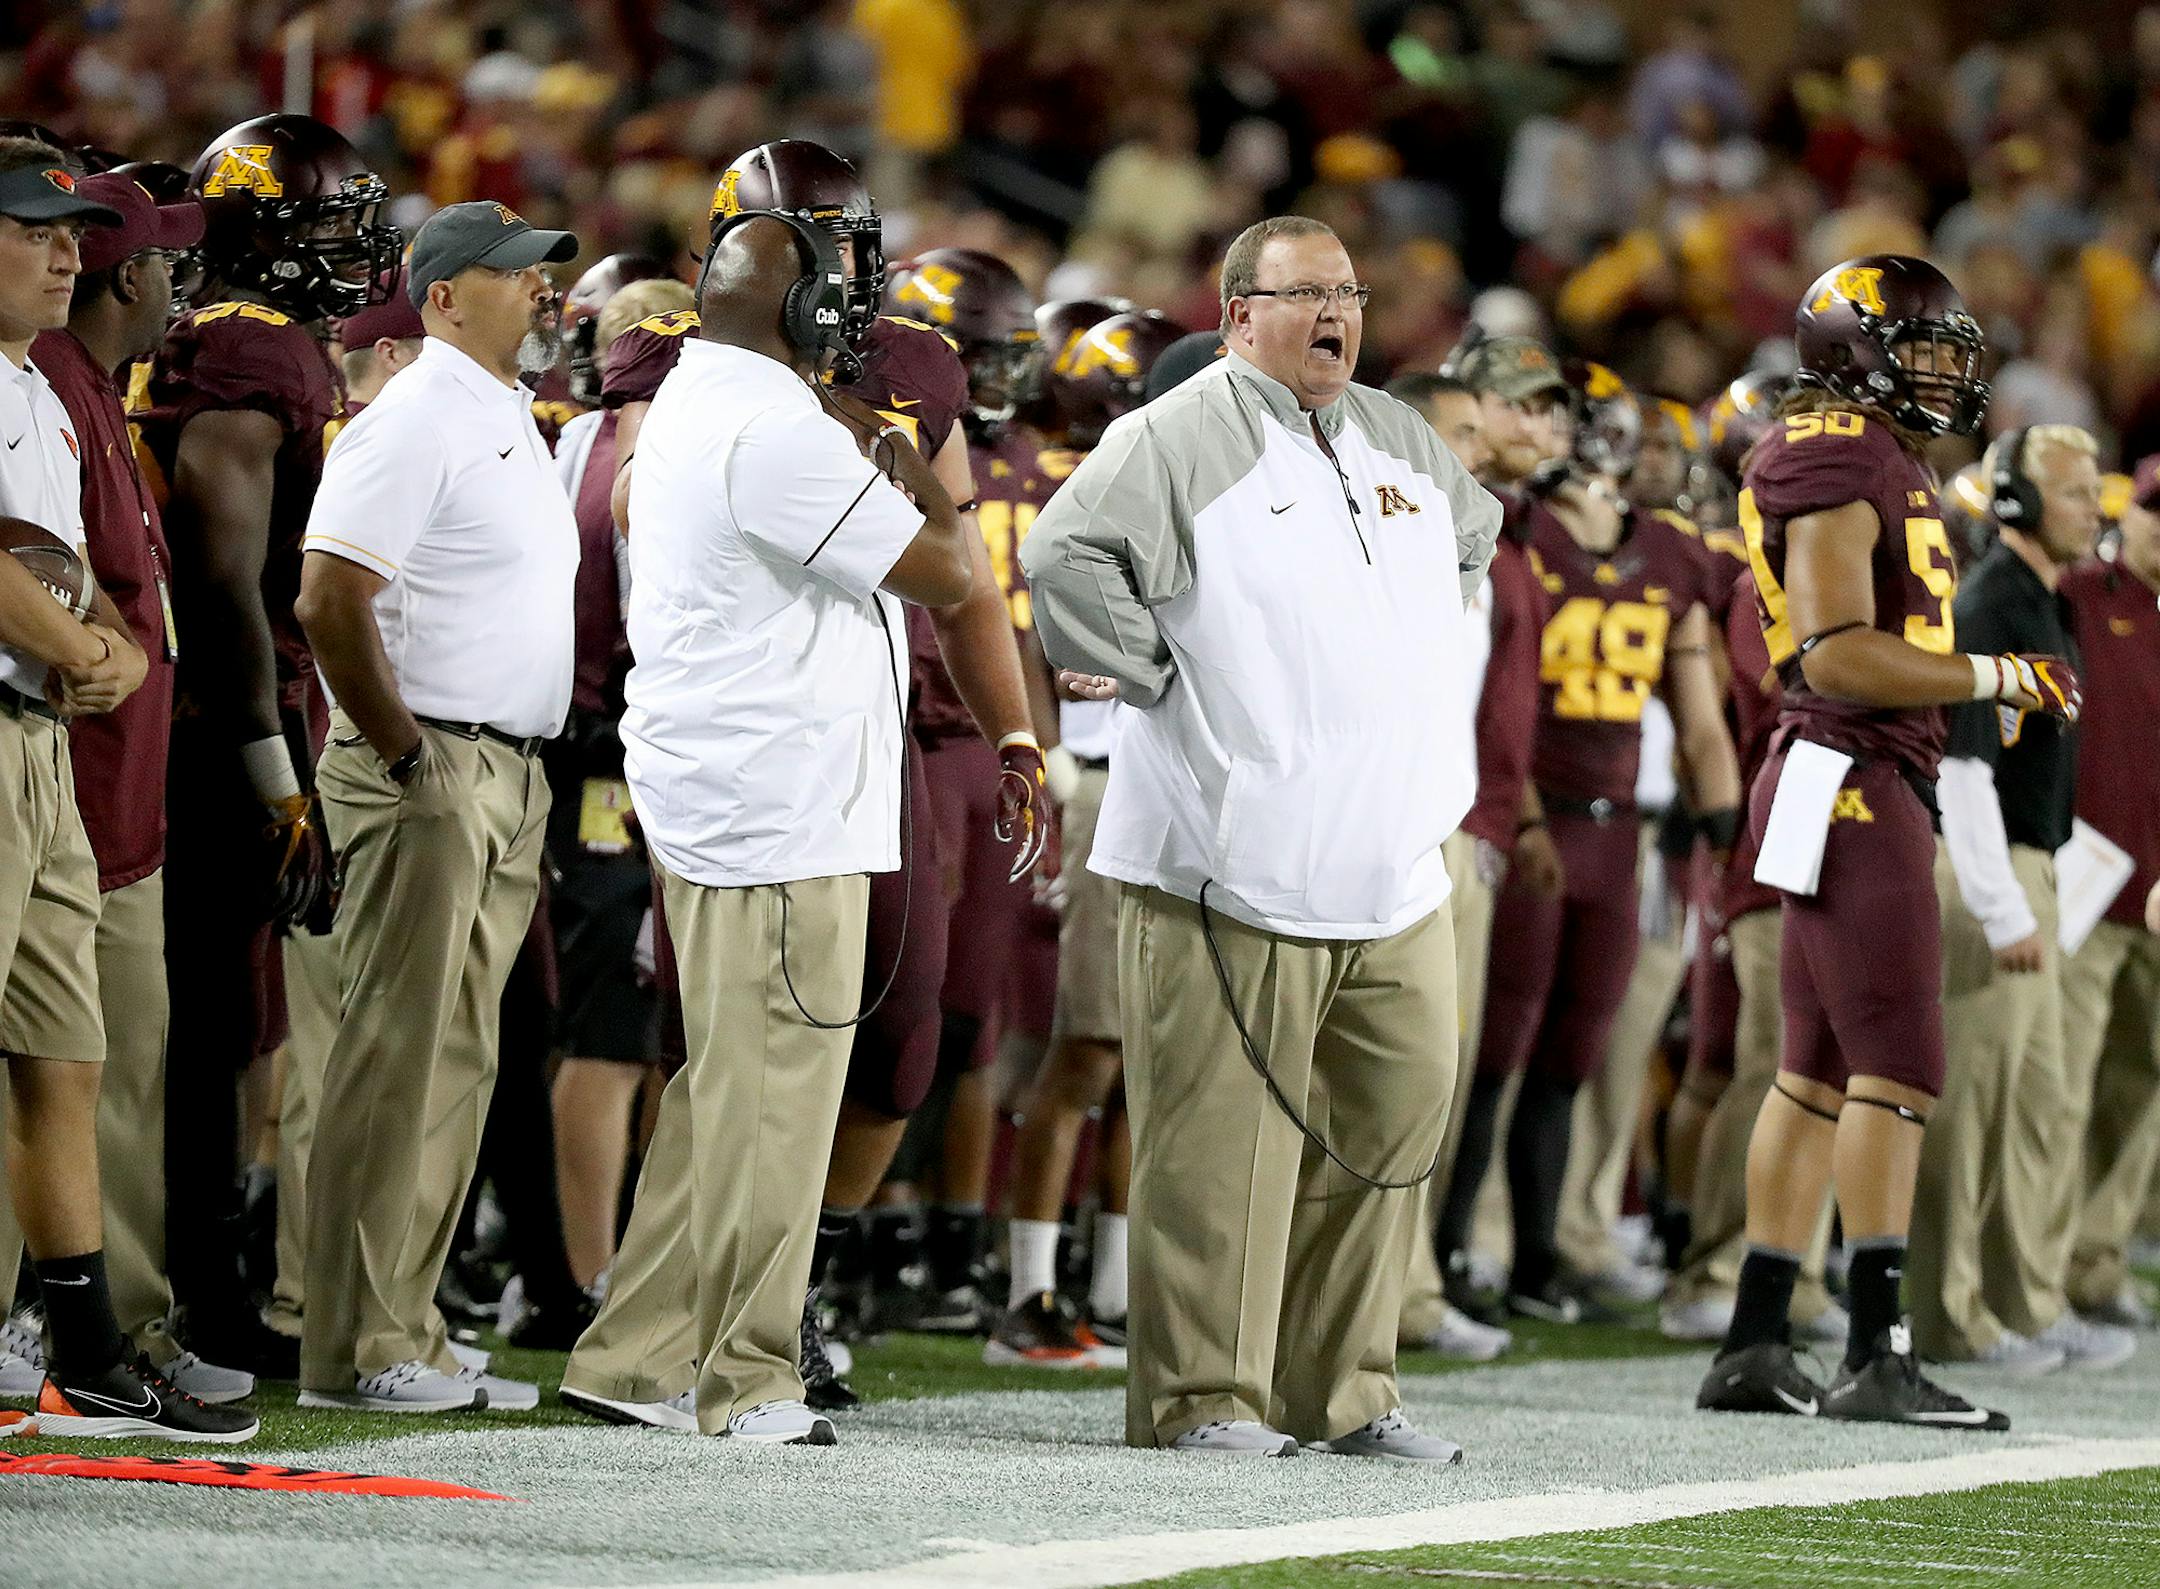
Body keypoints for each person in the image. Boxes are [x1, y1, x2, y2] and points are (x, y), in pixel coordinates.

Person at [573, 140, 1043, 1419]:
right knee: (780, 1101)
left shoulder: (695, 399)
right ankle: (745, 1374)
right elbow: (948, 571)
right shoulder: (775, 425)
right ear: (794, 302)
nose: (855, 297)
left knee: (723, 1094)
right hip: (783, 805)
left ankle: (636, 1355)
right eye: (832, 275)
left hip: (728, 789)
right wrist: (893, 459)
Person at [1022, 215, 1499, 1459]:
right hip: (1231, 857)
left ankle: (1342, 1392)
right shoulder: (1177, 433)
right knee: (1217, 1145)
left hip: (1393, 859)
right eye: (1306, 295)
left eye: (1349, 290)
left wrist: (1407, 649)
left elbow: (1476, 534)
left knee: (1390, 1130)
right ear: (1240, 314)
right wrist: (1154, 670)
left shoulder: (1396, 432)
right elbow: (1062, 554)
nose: (1338, 313)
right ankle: (1199, 1399)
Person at [1697, 255, 2080, 1431]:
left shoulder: (1874, 455)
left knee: (1813, 1075)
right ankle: (1877, 1347)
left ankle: (1759, 1337)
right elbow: (1833, 652)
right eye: (1921, 348)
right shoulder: (1835, 452)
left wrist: (1964, 686)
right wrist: (1995, 669)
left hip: (1842, 772)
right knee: (1899, 1067)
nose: (1944, 373)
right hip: (1854, 771)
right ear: (1850, 348)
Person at [294, 201, 580, 1414]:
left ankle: (404, 1318)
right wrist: (409, 756)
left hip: (500, 767)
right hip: (433, 762)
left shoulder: (499, 412)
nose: (544, 292)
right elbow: (327, 598)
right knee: (393, 1057)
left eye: (545, 274)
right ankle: (355, 1347)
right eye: (518, 276)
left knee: (455, 1057)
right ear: (446, 295)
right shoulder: (411, 416)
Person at [136, 114, 397, 1376]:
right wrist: (273, 774)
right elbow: (227, 582)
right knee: (202, 1021)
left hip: (226, 714)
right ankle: (196, 1293)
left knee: (230, 1020)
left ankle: (205, 1283)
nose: (357, 247)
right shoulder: (252, 352)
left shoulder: (246, 343)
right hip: (212, 724)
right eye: (334, 219)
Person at [0, 140, 251, 1442]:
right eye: (35, 229)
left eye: (71, 233)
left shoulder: (41, 391)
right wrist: (86, 649)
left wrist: (97, 636)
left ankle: (86, 1349)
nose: (65, 254)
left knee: (66, 1056)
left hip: (46, 743)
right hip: (12, 730)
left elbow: (58, 559)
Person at [1433, 361, 1741, 1325]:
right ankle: (1453, 1254)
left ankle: (1538, 1258)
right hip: (1536, 814)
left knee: (1572, 1053)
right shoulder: (1513, 531)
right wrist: (1516, 808)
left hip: (1619, 833)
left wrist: (1728, 837)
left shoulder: (1668, 554)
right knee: (1495, 1050)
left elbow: (1698, 723)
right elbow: (1499, 704)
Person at [986, 295, 1187, 1369]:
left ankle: (1107, 1287)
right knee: (1087, 1046)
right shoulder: (1076, 496)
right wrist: (1053, 757)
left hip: (1162, 783)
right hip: (1105, 779)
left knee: (1139, 1059)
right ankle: (1027, 1292)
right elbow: (1023, 630)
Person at [1915, 423, 2133, 1374]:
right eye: (2077, 491)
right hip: (1986, 865)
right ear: (2016, 501)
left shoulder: (2047, 602)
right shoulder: (1991, 601)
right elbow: (1962, 767)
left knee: (2034, 1103)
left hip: (2035, 865)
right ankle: (1947, 1315)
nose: (2096, 507)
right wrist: (2001, 904)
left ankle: (2023, 1300)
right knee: (1969, 1105)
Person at [543, 273, 692, 1320]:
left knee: (628, 1028)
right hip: (625, 760)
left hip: (594, 748)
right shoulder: (641, 450)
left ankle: (603, 1268)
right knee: (617, 1027)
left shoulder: (570, 443)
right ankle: (594, 1277)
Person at [1382, 368, 1521, 1365]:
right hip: (1381, 824)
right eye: (1461, 433)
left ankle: (1413, 1281)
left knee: (1443, 1067)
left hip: (1453, 828)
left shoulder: (1472, 548)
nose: (1482, 451)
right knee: (1384, 1070)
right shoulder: (1371, 537)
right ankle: (1364, 1290)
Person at [2052, 458, 2160, 1332]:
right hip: (2085, 879)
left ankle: (2098, 1255)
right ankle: (2039, 1262)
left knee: (2147, 1088)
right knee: (2060, 1081)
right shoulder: (2079, 591)